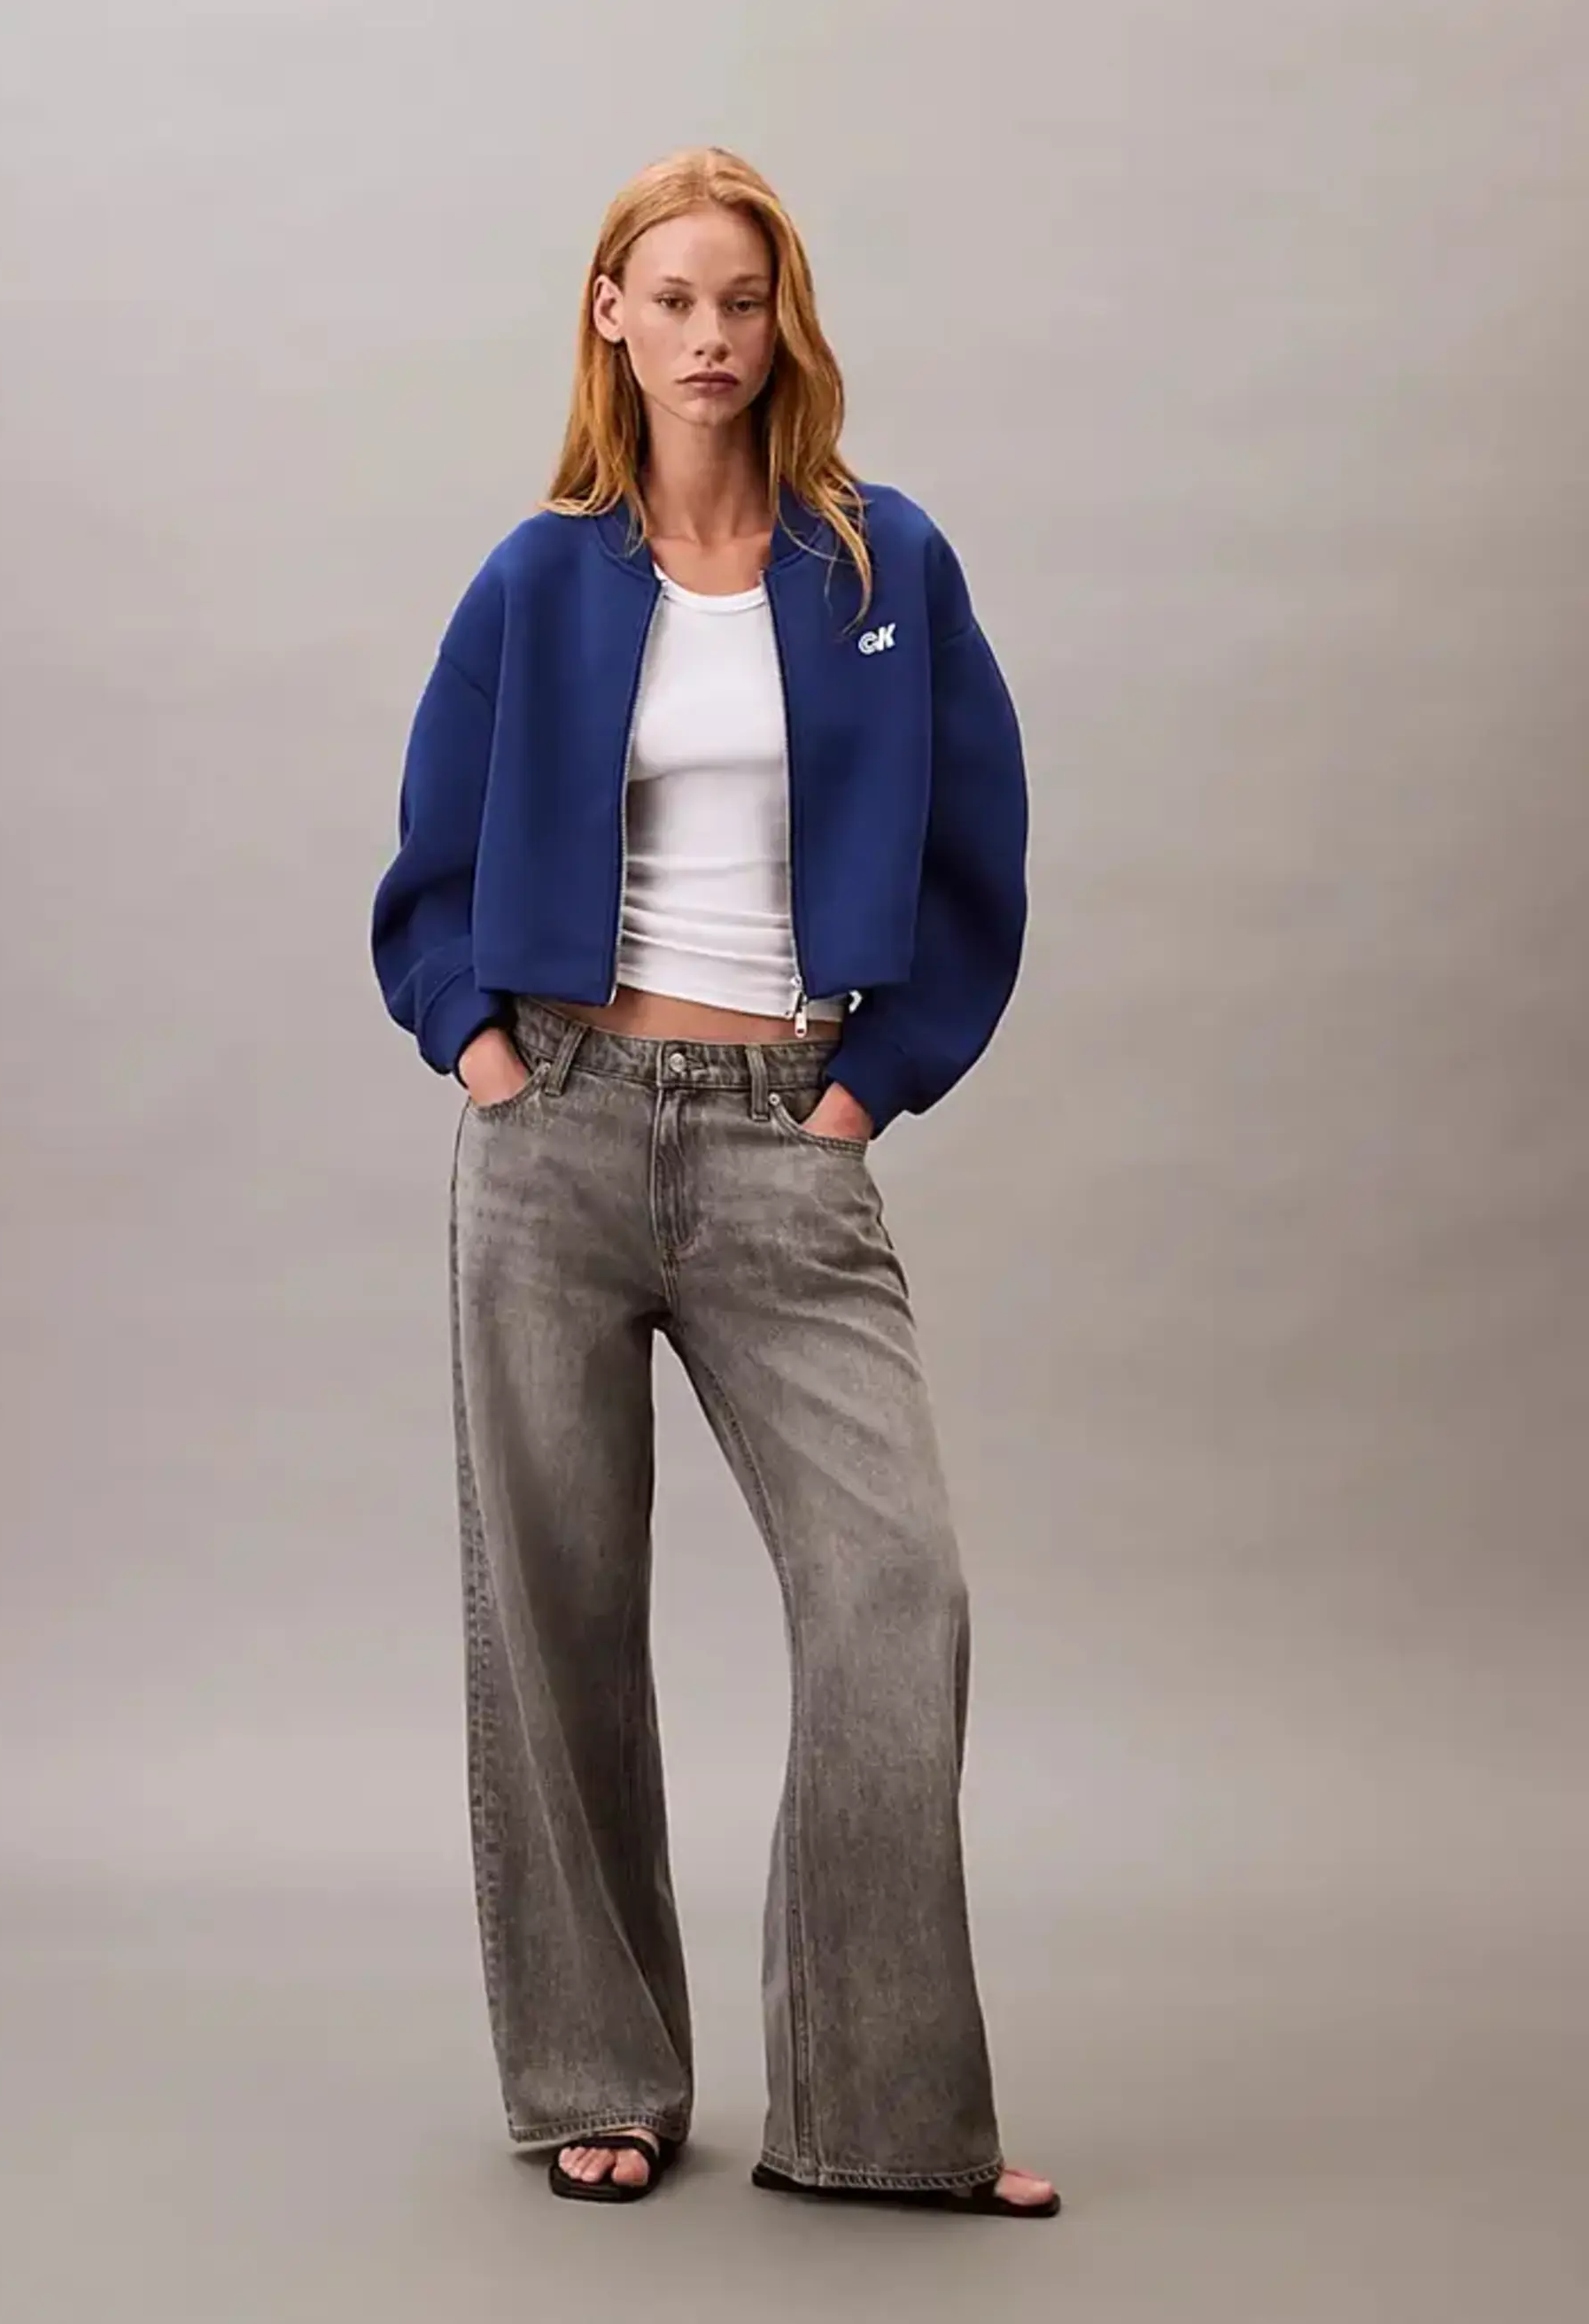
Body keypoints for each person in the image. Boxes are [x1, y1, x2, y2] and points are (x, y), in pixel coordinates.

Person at [369, 145, 1059, 2219]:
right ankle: (596, 2072)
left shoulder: (881, 564)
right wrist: (485, 1057)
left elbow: (980, 850)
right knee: (556, 1614)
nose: (708, 336)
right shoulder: (533, 580)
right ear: (610, 315)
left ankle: (879, 2111)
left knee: (894, 1597)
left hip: (784, 1135)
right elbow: (425, 874)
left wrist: (867, 1092)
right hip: (556, 1128)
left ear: (783, 323)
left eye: (740, 300)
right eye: (670, 298)